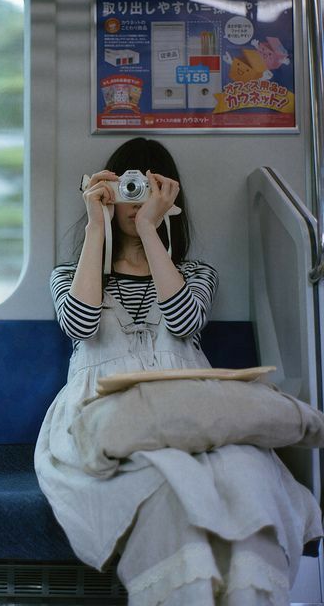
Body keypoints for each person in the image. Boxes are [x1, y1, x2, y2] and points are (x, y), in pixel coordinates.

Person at [34, 137, 323, 605]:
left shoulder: (196, 272)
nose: (134, 198)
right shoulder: (70, 272)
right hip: (105, 408)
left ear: (169, 196)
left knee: (245, 473)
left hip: (191, 406)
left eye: (146, 188)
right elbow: (81, 324)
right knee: (163, 479)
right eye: (127, 186)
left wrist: (152, 229)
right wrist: (96, 226)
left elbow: (185, 322)